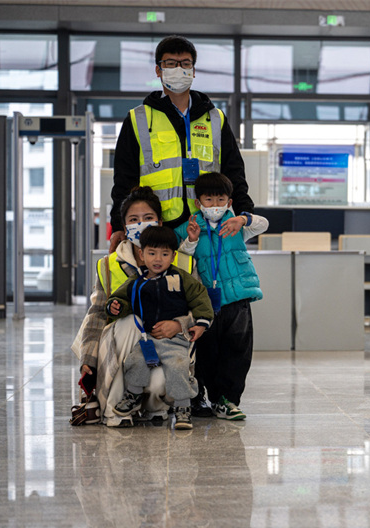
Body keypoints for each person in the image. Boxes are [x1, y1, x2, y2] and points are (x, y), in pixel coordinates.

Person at [108, 34, 255, 253]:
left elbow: (234, 172)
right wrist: (119, 225)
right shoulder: (138, 119)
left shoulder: (215, 118)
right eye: (170, 64)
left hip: (208, 224)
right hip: (158, 228)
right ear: (159, 70)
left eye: (185, 64)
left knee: (208, 285)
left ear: (193, 71)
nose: (179, 69)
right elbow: (124, 178)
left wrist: (245, 213)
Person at [72, 186, 203, 427]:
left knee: (158, 382)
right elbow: (96, 314)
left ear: (160, 222)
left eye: (148, 218)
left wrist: (178, 324)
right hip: (119, 347)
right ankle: (114, 410)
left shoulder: (182, 260)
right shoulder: (108, 265)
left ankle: (154, 408)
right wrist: (87, 359)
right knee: (132, 322)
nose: (141, 224)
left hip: (166, 345)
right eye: (134, 219)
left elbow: (199, 309)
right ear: (124, 226)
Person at [174, 172, 268, 421]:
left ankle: (228, 400)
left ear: (229, 201)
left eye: (220, 199)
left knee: (237, 350)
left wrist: (243, 218)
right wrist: (192, 241)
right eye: (208, 199)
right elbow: (177, 252)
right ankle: (203, 397)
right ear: (198, 202)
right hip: (206, 303)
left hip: (238, 300)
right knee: (207, 352)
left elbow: (264, 224)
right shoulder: (191, 226)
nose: (214, 205)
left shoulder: (235, 225)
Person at [106, 225, 214, 430]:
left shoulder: (181, 278)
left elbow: (201, 299)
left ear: (173, 256)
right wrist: (115, 306)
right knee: (135, 361)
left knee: (178, 366)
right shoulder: (137, 282)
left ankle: (183, 408)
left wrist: (201, 323)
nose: (158, 259)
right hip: (147, 339)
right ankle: (133, 395)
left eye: (164, 254)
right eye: (152, 253)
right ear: (141, 253)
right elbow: (121, 300)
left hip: (176, 340)